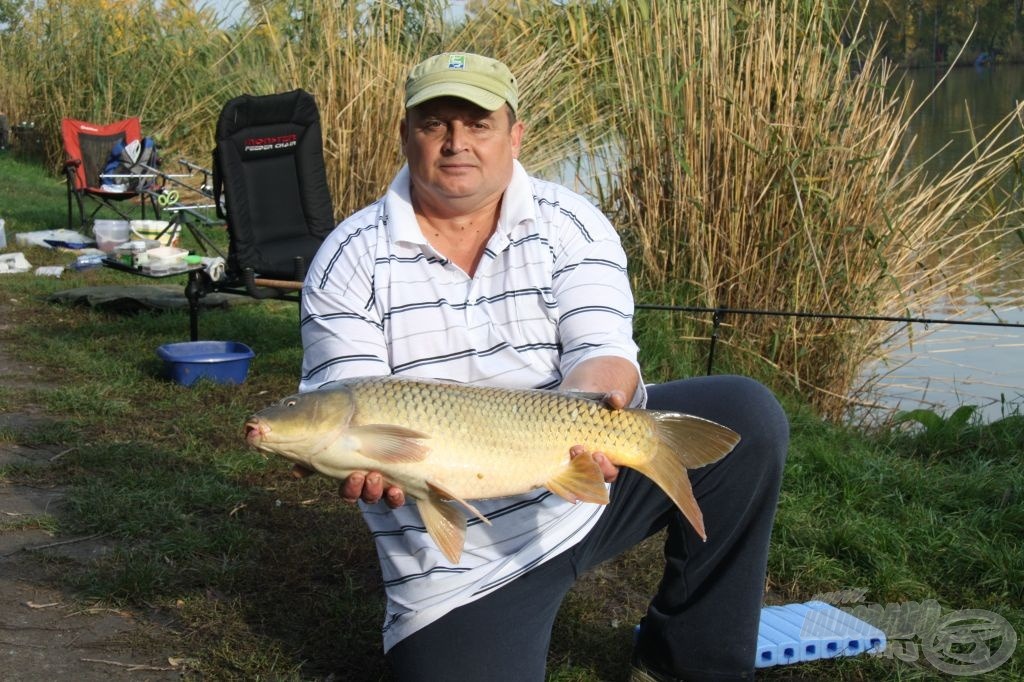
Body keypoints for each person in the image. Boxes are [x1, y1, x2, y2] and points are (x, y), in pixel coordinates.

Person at [299, 51, 788, 681]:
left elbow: (603, 352)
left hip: (585, 485)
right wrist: (374, 466)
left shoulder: (571, 223)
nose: (457, 144)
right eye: (435, 124)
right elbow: (348, 398)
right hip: (460, 564)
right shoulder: (348, 257)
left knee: (746, 416)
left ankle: (686, 662)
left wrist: (595, 420)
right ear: (405, 135)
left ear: (515, 136)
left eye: (478, 125)